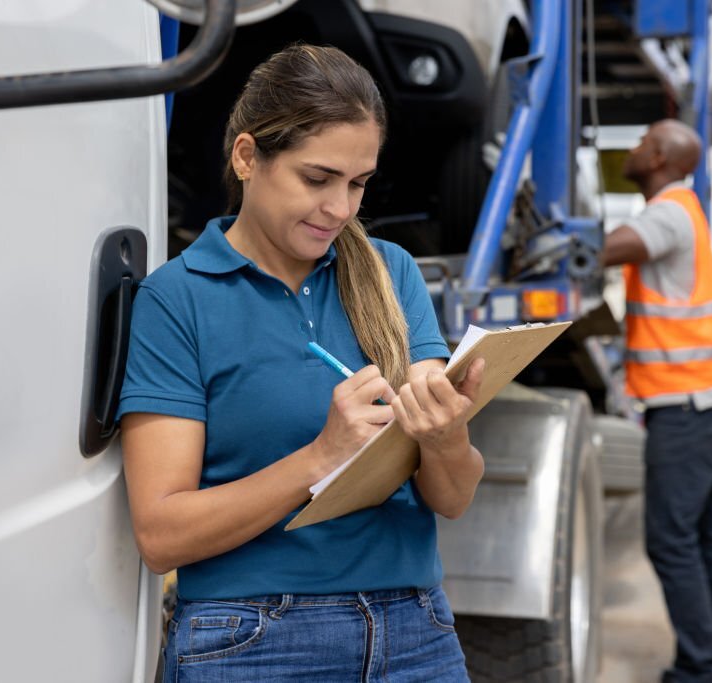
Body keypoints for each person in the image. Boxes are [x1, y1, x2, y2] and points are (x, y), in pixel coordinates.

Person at [117, 44, 485, 682]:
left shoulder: (391, 272)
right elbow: (161, 536)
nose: (340, 209)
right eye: (317, 180)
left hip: (416, 629)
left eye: (358, 184)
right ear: (247, 156)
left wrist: (445, 434)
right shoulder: (177, 300)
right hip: (253, 639)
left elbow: (452, 499)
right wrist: (323, 456)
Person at [602, 119, 712, 683]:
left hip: (688, 403)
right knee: (703, 534)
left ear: (660, 155)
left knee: (670, 540)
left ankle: (700, 669)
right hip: (709, 396)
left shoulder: (667, 212)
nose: (632, 148)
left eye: (641, 141)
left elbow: (606, 251)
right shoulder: (682, 207)